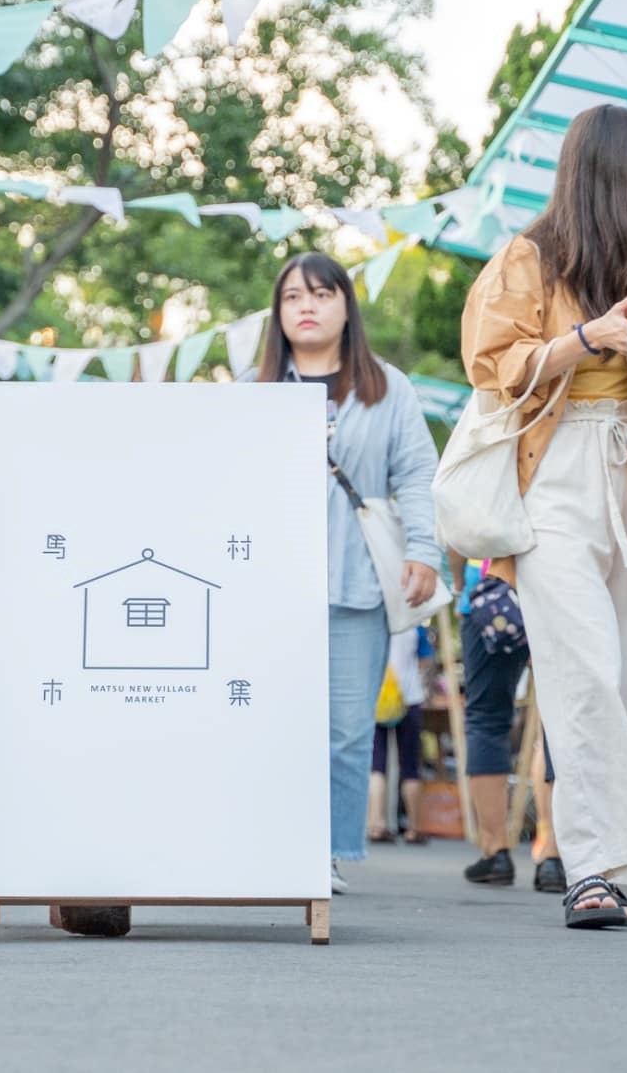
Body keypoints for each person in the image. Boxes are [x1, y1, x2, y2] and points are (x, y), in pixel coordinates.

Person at [461, 102, 627, 930]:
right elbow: (492, 362)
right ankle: (586, 866)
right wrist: (590, 335)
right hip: (556, 471)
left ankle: (606, 862)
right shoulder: (529, 257)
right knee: (584, 668)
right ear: (615, 168)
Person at [255, 252, 438, 896]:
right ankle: (264, 845)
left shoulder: (387, 388)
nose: (307, 307)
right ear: (277, 314)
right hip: (267, 592)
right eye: (292, 297)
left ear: (346, 306)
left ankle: (325, 853)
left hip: (356, 582)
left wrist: (425, 550)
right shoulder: (254, 394)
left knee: (347, 728)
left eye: (322, 294)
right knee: (271, 720)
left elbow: (416, 475)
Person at [453, 558, 565, 892]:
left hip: (489, 587)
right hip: (556, 585)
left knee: (486, 717)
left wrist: (460, 582)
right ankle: (553, 855)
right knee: (558, 722)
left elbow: (460, 529)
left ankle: (495, 850)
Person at [367, 625, 431, 846]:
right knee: (410, 766)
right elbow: (425, 661)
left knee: (376, 765)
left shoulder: (375, 621)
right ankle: (415, 827)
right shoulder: (415, 625)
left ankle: (376, 823)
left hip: (377, 698)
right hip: (409, 697)